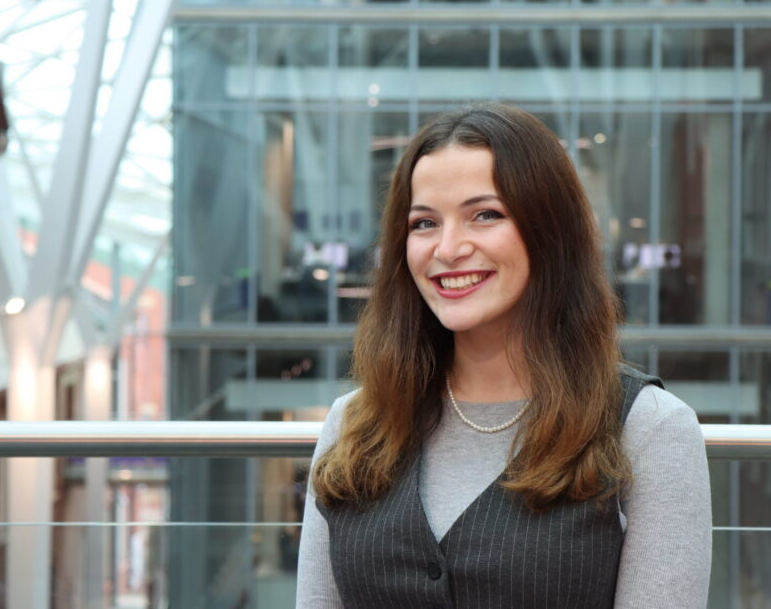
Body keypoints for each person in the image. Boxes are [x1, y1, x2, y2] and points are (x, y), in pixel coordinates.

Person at [295, 103, 711, 608]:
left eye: (485, 215)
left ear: (549, 231)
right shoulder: (353, 424)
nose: (448, 248)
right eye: (424, 223)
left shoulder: (650, 429)